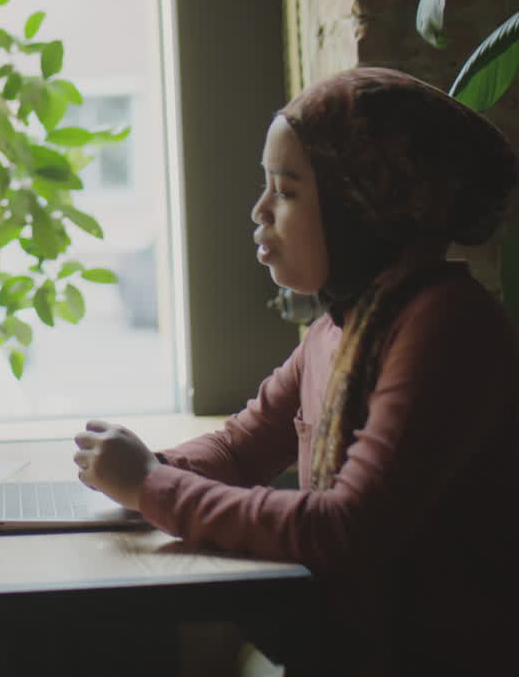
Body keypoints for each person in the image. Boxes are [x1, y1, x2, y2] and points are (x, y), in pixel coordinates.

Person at [73, 67, 518, 676]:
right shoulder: (338, 326)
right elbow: (238, 446)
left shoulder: (445, 325)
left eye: (285, 190)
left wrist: (151, 485)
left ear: (362, 203)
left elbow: (344, 529)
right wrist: (136, 474)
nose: (259, 211)